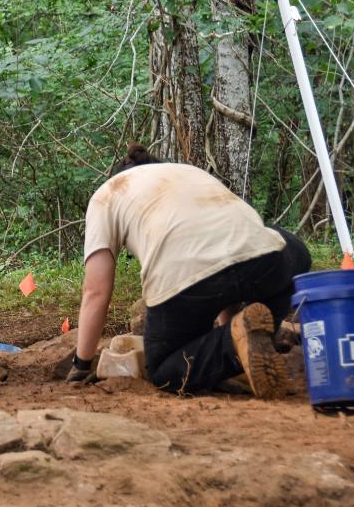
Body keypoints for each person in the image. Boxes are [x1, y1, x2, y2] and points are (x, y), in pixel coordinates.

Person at [67, 144, 311, 398]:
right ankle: (244, 342)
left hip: (184, 276)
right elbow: (228, 251)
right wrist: (231, 326)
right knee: (293, 252)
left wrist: (82, 364)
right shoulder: (189, 172)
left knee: (163, 371)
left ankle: (233, 344)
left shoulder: (108, 194)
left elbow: (96, 290)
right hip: (265, 256)